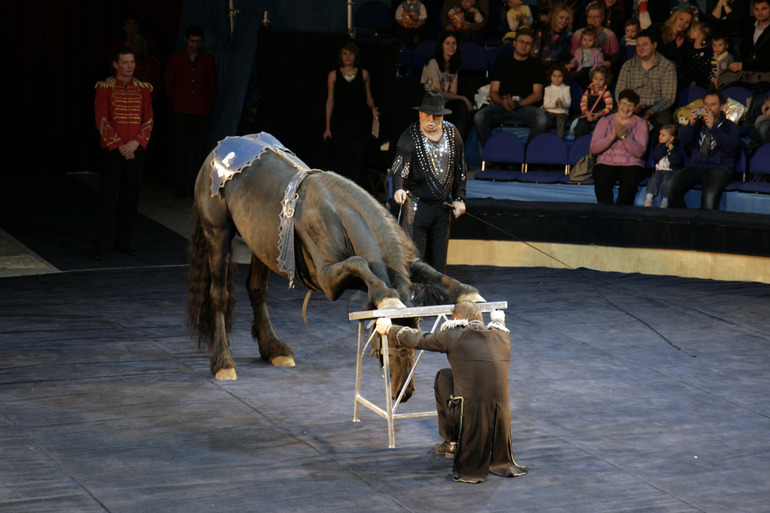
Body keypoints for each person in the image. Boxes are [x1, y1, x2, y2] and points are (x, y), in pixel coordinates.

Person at [374, 301, 529, 484]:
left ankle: (453, 442)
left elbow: (420, 338)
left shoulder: (454, 335)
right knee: (457, 377)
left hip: (469, 416)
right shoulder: (502, 336)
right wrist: (497, 319)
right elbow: (499, 325)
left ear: (457, 319)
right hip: (500, 417)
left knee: (443, 377)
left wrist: (389, 329)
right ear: (480, 318)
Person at [390, 92, 467, 273]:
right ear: (420, 114)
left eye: (437, 116)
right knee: (416, 261)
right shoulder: (410, 137)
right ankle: (415, 299)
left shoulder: (452, 133)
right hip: (416, 208)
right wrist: (398, 188)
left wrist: (459, 197)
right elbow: (399, 166)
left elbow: (461, 168)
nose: (432, 120)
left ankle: (438, 299)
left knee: (439, 264)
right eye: (427, 115)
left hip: (442, 208)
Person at [92, 47, 154, 260]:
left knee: (131, 198)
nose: (130, 67)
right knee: (108, 199)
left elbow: (148, 119)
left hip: (135, 151)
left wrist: (135, 143)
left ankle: (123, 241)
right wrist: (120, 145)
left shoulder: (143, 89)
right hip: (112, 152)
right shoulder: (104, 88)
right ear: (116, 65)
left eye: (132, 62)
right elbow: (101, 119)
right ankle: (101, 244)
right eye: (126, 63)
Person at [165, 25, 217, 198]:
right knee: (181, 150)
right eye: (193, 41)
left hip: (201, 110)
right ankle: (180, 187)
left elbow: (212, 84)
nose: (195, 45)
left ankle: (198, 189)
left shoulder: (207, 59)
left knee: (200, 151)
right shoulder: (176, 58)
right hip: (182, 110)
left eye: (198, 42)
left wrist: (207, 102)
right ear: (186, 40)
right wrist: (176, 102)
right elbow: (169, 83)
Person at [473, 28, 548, 148]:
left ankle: (525, 157)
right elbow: (494, 91)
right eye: (521, 42)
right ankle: (492, 156)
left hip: (525, 106)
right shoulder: (501, 63)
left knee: (542, 120)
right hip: (502, 105)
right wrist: (503, 101)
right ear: (514, 43)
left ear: (531, 46)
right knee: (479, 117)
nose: (524, 46)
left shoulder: (537, 65)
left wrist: (517, 104)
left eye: (528, 43)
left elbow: (537, 94)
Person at [664, 90, 739, 209]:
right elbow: (684, 142)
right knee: (671, 187)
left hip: (719, 168)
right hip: (697, 165)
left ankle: (704, 227)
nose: (708, 108)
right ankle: (684, 222)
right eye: (706, 104)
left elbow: (730, 147)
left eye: (712, 105)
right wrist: (690, 125)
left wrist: (714, 128)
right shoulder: (698, 123)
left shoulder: (730, 127)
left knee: (708, 200)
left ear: (721, 107)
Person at [323, 42, 380, 191]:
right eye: (345, 54)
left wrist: (373, 109)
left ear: (356, 56)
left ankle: (357, 191)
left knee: (357, 158)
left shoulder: (364, 74)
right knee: (341, 158)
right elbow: (330, 100)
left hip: (358, 122)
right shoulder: (333, 75)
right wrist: (327, 127)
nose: (348, 57)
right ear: (341, 56)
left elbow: (368, 97)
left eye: (351, 54)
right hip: (339, 122)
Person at [589, 89, 649, 205]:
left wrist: (624, 137)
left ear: (635, 107)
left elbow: (640, 151)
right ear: (618, 103)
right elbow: (594, 148)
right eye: (624, 104)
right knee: (601, 178)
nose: (626, 109)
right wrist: (612, 137)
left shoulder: (640, 123)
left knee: (630, 181)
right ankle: (606, 212)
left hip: (632, 163)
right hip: (606, 162)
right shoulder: (605, 120)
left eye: (630, 106)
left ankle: (622, 213)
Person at [615, 28, 677, 137]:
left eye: (644, 44)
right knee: (611, 118)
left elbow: (668, 97)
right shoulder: (628, 66)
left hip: (656, 109)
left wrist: (651, 111)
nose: (640, 48)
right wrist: (630, 107)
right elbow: (620, 93)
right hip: (630, 107)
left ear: (654, 45)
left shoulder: (667, 66)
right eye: (638, 45)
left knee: (663, 123)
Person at [421, 31, 475, 140]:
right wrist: (463, 98)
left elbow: (452, 93)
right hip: (431, 102)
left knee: (462, 107)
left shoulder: (454, 65)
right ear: (441, 46)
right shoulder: (433, 63)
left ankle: (458, 143)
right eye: (447, 43)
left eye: (454, 43)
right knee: (462, 102)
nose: (451, 46)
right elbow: (438, 93)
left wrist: (459, 98)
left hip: (445, 102)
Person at [645, 123, 685, 207]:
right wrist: (664, 147)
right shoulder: (659, 146)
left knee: (665, 182)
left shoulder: (676, 148)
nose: (660, 136)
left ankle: (665, 200)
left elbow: (676, 162)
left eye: (663, 135)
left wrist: (672, 150)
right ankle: (649, 198)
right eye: (660, 134)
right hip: (660, 170)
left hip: (671, 171)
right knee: (653, 180)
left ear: (671, 138)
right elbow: (657, 156)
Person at [569, 3, 618, 69]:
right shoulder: (578, 33)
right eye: (590, 17)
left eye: (596, 17)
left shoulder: (610, 35)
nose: (593, 20)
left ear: (602, 18)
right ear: (587, 18)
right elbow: (572, 55)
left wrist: (609, 63)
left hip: (600, 69)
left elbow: (615, 58)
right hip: (581, 68)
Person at [573, 66, 614, 138]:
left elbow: (609, 107)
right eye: (596, 79)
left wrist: (599, 114)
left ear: (606, 80)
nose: (598, 81)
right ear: (592, 78)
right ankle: (580, 143)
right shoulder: (588, 91)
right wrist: (587, 113)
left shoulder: (606, 93)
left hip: (600, 115)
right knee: (581, 124)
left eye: (601, 79)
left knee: (602, 126)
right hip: (588, 113)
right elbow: (583, 103)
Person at [532, 3, 574, 67]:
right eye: (561, 17)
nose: (564, 21)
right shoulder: (542, 31)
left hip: (559, 69)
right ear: (554, 17)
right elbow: (535, 53)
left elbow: (568, 56)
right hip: (540, 66)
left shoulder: (569, 36)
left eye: (567, 19)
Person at [678, 21, 713, 89]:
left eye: (694, 29)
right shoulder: (688, 48)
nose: (691, 31)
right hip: (684, 82)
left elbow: (704, 71)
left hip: (698, 86)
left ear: (701, 35)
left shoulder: (707, 52)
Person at [542, 64, 572, 138]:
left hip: (562, 112)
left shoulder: (566, 88)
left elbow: (568, 104)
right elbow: (545, 104)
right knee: (545, 122)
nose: (557, 79)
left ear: (563, 77)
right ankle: (546, 139)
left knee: (560, 124)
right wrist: (555, 104)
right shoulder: (548, 89)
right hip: (549, 111)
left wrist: (562, 104)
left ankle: (560, 142)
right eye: (554, 76)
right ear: (550, 77)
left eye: (559, 76)